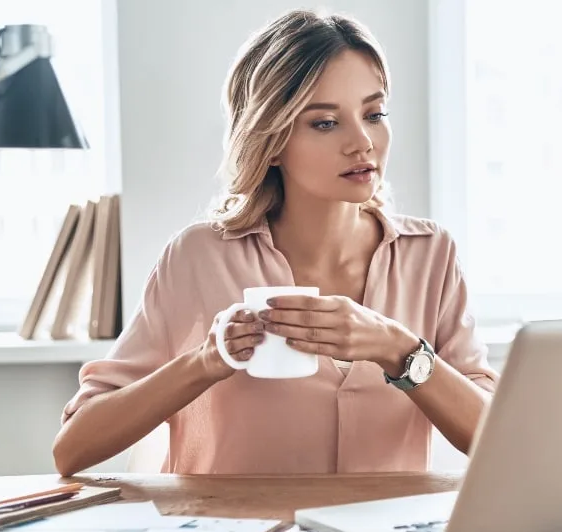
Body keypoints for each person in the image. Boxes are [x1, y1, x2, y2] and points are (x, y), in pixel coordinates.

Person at [52, 9, 498, 477]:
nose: (362, 141)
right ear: (273, 138)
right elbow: (72, 448)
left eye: (375, 114)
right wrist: (206, 362)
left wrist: (399, 349)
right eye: (325, 123)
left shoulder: (431, 255)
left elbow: (495, 439)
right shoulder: (198, 258)